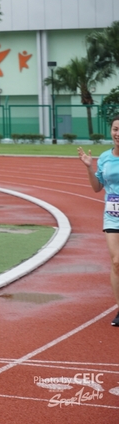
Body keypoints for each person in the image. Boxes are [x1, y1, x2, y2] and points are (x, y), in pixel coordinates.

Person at [78, 114, 119, 326]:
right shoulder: (104, 158)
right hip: (113, 217)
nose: (118, 133)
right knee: (117, 262)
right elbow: (96, 188)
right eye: (115, 129)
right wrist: (89, 167)